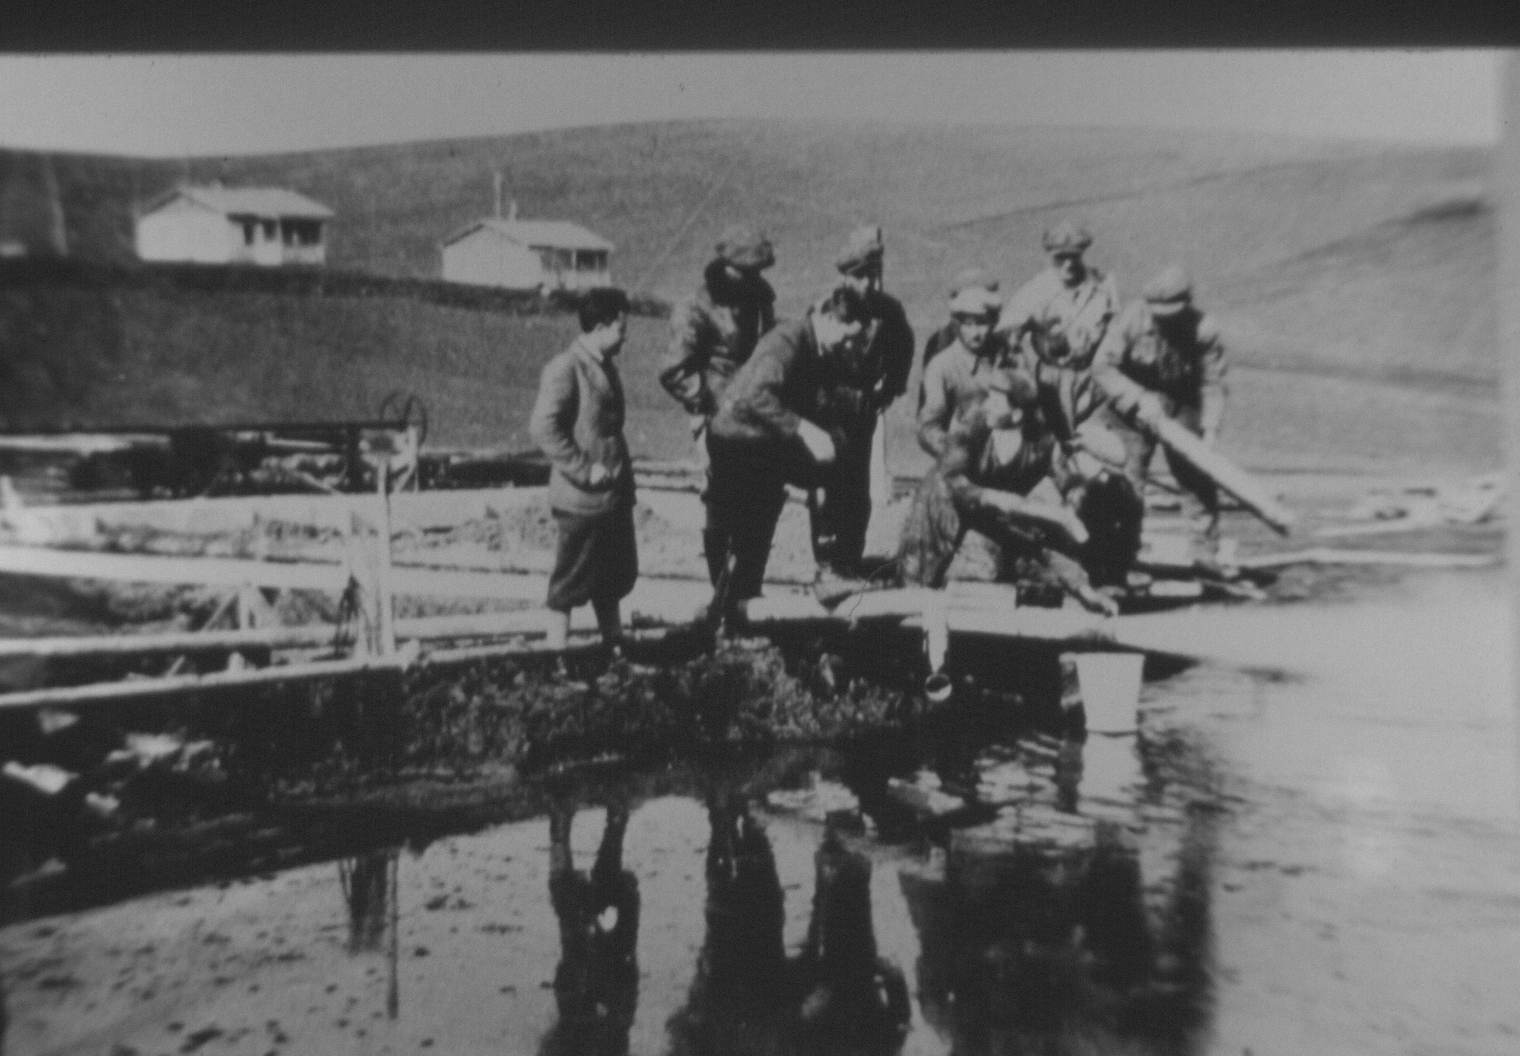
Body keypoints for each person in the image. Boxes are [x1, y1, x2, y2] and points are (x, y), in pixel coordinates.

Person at [703, 286, 871, 623]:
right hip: (738, 440)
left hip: (761, 440)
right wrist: (805, 430)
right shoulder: (789, 341)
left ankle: (746, 604)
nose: (847, 346)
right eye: (846, 336)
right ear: (826, 318)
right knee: (743, 528)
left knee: (760, 525)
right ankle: (731, 613)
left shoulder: (818, 346)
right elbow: (756, 396)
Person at [896, 367, 1123, 616]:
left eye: (996, 401)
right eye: (988, 397)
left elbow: (1050, 524)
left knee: (1011, 557)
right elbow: (953, 483)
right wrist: (1012, 502)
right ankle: (910, 599)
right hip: (945, 503)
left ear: (1017, 415)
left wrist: (1082, 587)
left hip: (991, 513)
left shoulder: (1041, 444)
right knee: (915, 586)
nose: (987, 405)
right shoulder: (970, 423)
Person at [529, 287, 638, 652]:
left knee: (612, 580)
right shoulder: (566, 367)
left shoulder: (605, 367)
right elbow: (543, 428)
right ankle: (555, 656)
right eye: (621, 328)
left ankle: (615, 648)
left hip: (611, 498)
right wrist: (583, 469)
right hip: (581, 501)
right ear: (601, 327)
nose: (625, 337)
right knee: (569, 583)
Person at [810, 225, 916, 578]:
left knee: (857, 488)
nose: (868, 284)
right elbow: (808, 360)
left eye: (873, 274)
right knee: (825, 485)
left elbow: (903, 350)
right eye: (859, 277)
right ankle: (826, 561)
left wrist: (888, 391)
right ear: (844, 277)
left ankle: (850, 558)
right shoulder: (823, 309)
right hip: (826, 411)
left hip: (863, 410)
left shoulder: (888, 311)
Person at [1092, 264, 1229, 536]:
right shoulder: (1132, 317)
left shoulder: (1204, 328)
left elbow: (1212, 382)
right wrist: (1138, 398)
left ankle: (1204, 552)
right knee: (1126, 479)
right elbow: (1102, 366)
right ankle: (1123, 549)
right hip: (1130, 403)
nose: (1164, 321)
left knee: (1196, 478)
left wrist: (1210, 429)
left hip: (1182, 401)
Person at [658, 223, 777, 469]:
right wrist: (703, 403)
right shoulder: (694, 308)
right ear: (727, 267)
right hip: (716, 417)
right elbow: (673, 370)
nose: (754, 279)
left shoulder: (758, 300)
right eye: (747, 272)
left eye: (757, 272)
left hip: (756, 412)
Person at [999, 221, 1121, 369]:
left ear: (1081, 254)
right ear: (1050, 257)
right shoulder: (1036, 289)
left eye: (1073, 256)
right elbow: (1009, 325)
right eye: (1060, 257)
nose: (1068, 264)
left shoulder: (1102, 285)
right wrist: (1018, 334)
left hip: (1095, 369)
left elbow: (1117, 329)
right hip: (1049, 372)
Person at [916, 285, 1018, 459]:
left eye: (982, 324)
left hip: (1010, 458)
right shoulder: (942, 365)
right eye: (968, 324)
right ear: (957, 326)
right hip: (965, 459)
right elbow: (928, 426)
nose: (976, 333)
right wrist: (951, 449)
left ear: (993, 323)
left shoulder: (1007, 357)